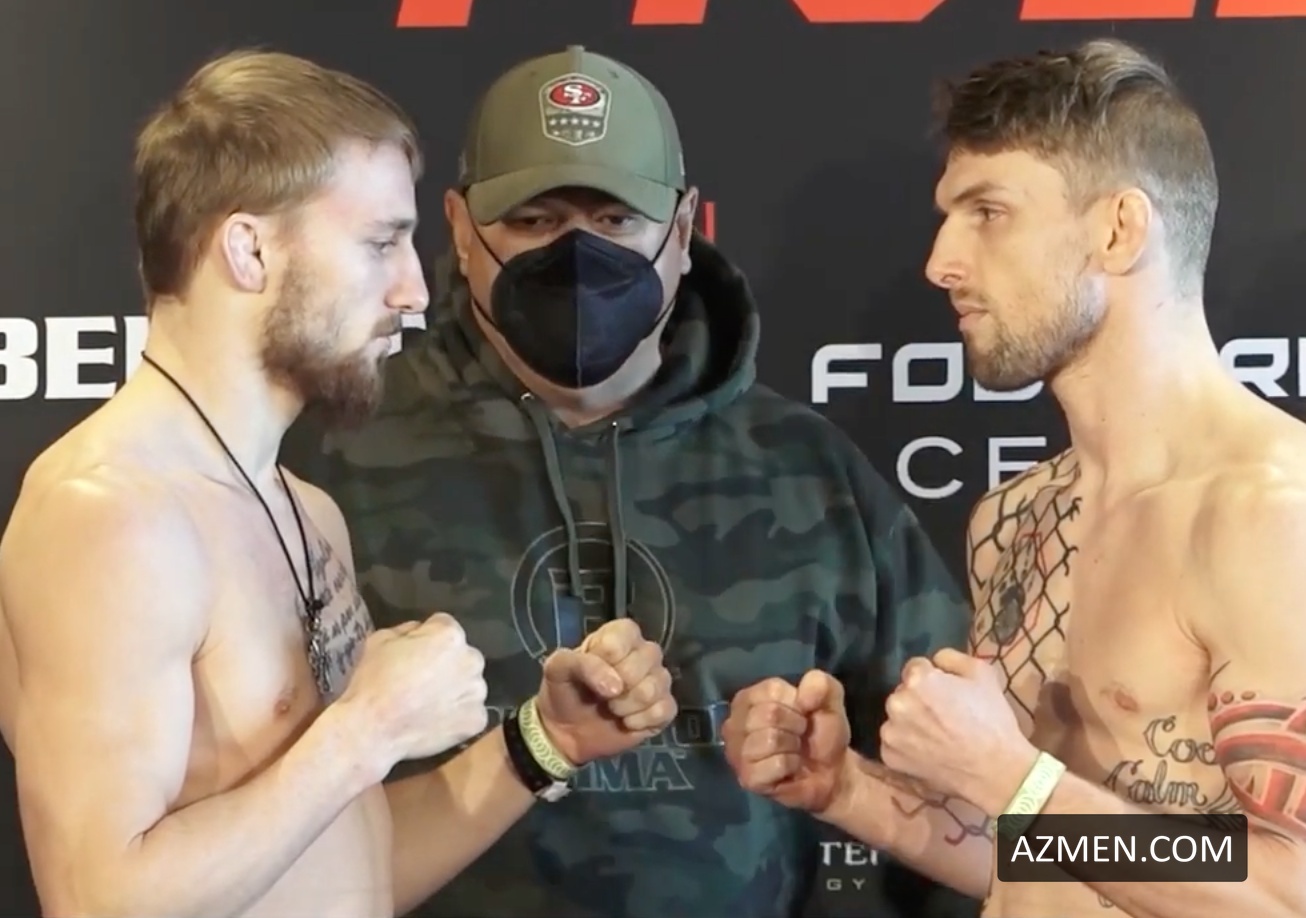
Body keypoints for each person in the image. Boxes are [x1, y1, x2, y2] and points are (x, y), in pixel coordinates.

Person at [285, 44, 976, 918]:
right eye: (534, 219)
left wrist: (852, 788)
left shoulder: (811, 473)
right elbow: (252, 820)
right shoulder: (335, 461)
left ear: (682, 232)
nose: (578, 255)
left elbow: (1005, 828)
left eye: (615, 219)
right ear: (459, 229)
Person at [0, 49, 680, 918]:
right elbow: (97, 901)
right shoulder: (111, 514)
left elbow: (346, 868)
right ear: (249, 250)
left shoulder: (305, 511)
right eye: (380, 243)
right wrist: (366, 731)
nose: (413, 290)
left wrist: (542, 743)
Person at [722, 35, 1306, 918]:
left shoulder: (1269, 515)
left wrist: (1013, 778)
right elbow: (1039, 864)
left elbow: (1288, 888)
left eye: (989, 212)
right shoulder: (1016, 520)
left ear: (1118, 230)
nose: (941, 262)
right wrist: (846, 789)